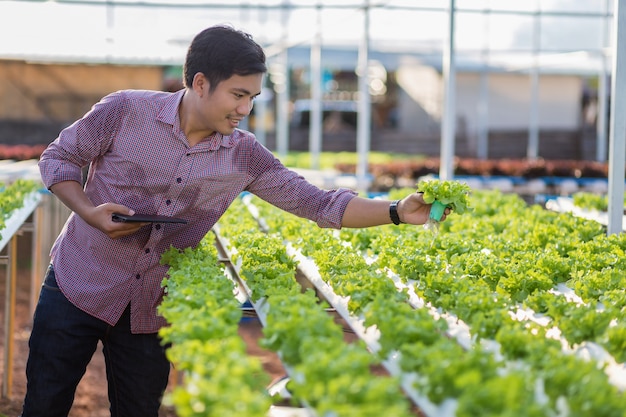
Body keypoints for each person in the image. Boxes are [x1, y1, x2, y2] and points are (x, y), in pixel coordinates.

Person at [21, 24, 449, 417]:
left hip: (149, 306)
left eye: (253, 98)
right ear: (201, 83)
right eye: (238, 95)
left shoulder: (244, 154)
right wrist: (90, 213)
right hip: (80, 282)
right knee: (45, 402)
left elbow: (318, 204)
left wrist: (395, 211)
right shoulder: (125, 111)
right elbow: (59, 157)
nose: (245, 108)